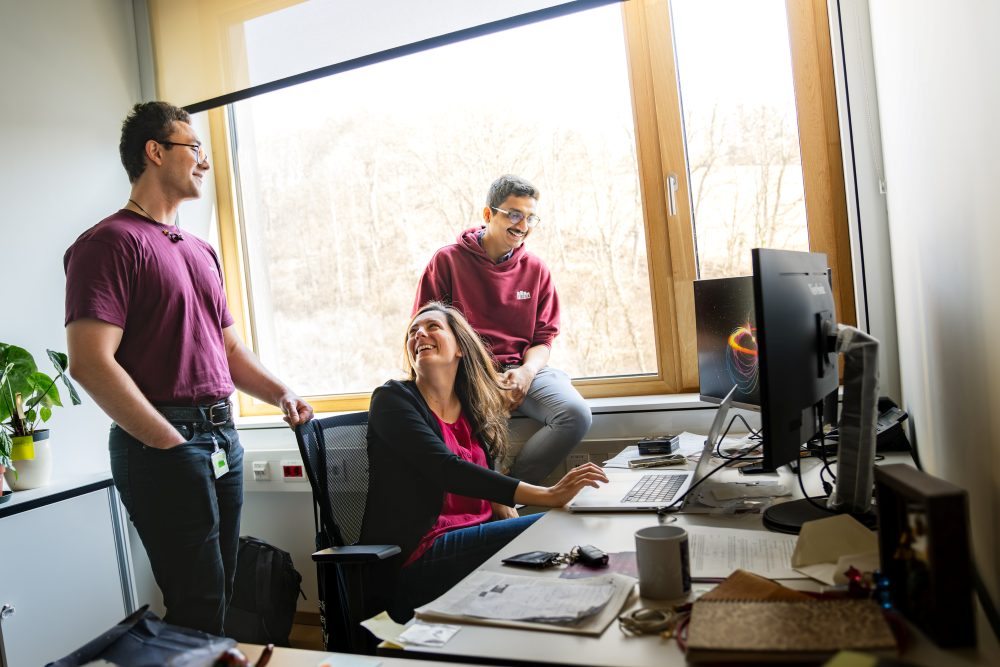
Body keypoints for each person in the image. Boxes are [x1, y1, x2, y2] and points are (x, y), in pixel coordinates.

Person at [63, 101, 314, 635]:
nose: (203, 161)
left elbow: (228, 352)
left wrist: (281, 393)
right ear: (155, 152)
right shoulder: (108, 244)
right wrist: (170, 444)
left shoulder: (200, 250)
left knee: (222, 591)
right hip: (164, 443)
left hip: (222, 436)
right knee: (197, 600)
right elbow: (89, 362)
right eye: (193, 148)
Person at [361, 301, 608, 622]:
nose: (420, 333)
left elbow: (489, 489)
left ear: (461, 347)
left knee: (567, 532)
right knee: (555, 524)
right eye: (413, 332)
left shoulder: (472, 408)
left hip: (472, 542)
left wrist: (508, 506)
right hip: (421, 556)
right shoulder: (393, 399)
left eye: (433, 326)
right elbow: (445, 468)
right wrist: (547, 496)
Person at [413, 175, 592, 484]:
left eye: (530, 217)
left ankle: (514, 489)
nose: (523, 225)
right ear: (488, 215)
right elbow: (426, 332)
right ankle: (493, 499)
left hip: (523, 368)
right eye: (513, 214)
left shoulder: (536, 269)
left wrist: (527, 372)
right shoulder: (447, 261)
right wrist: (479, 375)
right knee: (482, 442)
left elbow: (543, 338)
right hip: (468, 372)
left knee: (575, 414)